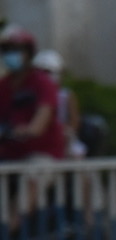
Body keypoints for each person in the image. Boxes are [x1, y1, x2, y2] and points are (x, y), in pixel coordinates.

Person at [0, 27, 66, 162]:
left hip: (42, 153)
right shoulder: (3, 85)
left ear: (29, 53)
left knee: (31, 178)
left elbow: (40, 122)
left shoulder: (43, 83)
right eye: (7, 50)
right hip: (10, 154)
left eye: (16, 50)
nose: (10, 55)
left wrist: (27, 130)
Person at [31, 51, 84, 158]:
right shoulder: (29, 96)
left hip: (63, 138)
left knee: (77, 157)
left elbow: (75, 121)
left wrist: (66, 132)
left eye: (47, 72)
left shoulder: (65, 96)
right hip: (36, 139)